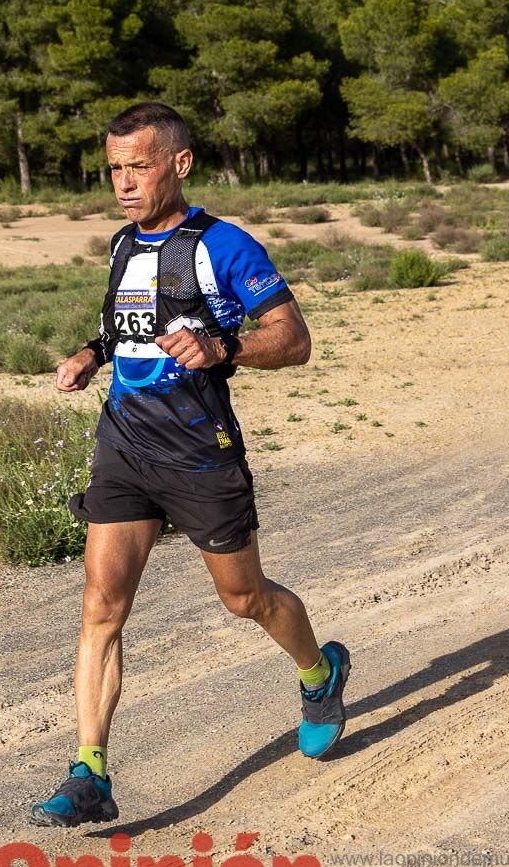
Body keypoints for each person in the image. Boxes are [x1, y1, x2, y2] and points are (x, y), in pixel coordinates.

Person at [29, 101, 350, 828]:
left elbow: (294, 340)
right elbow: (124, 327)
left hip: (200, 454)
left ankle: (319, 672)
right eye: (113, 167)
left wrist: (224, 347)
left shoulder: (225, 246)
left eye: (138, 165)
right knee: (101, 607)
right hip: (125, 448)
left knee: (246, 600)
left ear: (179, 163)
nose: (123, 182)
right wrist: (90, 354)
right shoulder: (121, 245)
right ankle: (90, 772)